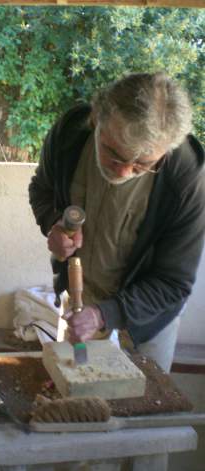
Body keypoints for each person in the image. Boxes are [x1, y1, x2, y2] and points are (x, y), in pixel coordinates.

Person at [29, 72, 205, 373]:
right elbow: (41, 189)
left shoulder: (186, 176)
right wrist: (53, 223)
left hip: (147, 314)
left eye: (143, 164)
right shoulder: (70, 133)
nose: (124, 172)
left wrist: (103, 315)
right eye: (113, 154)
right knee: (71, 393)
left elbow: (173, 282)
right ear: (96, 119)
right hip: (79, 301)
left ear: (167, 150)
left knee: (143, 400)